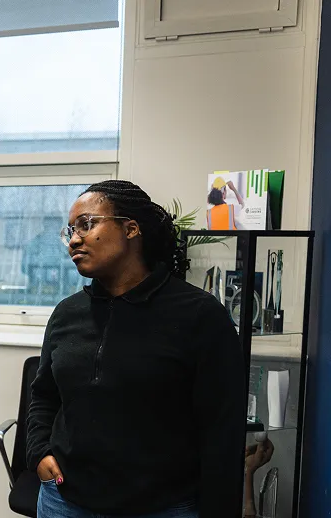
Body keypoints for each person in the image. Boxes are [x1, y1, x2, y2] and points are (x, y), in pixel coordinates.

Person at [27, 180, 245, 518]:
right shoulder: (67, 313)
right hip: (64, 501)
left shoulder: (199, 315)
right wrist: (39, 451)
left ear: (131, 229)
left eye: (87, 224)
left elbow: (222, 430)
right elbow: (44, 395)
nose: (73, 240)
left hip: (162, 507)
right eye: (70, 230)